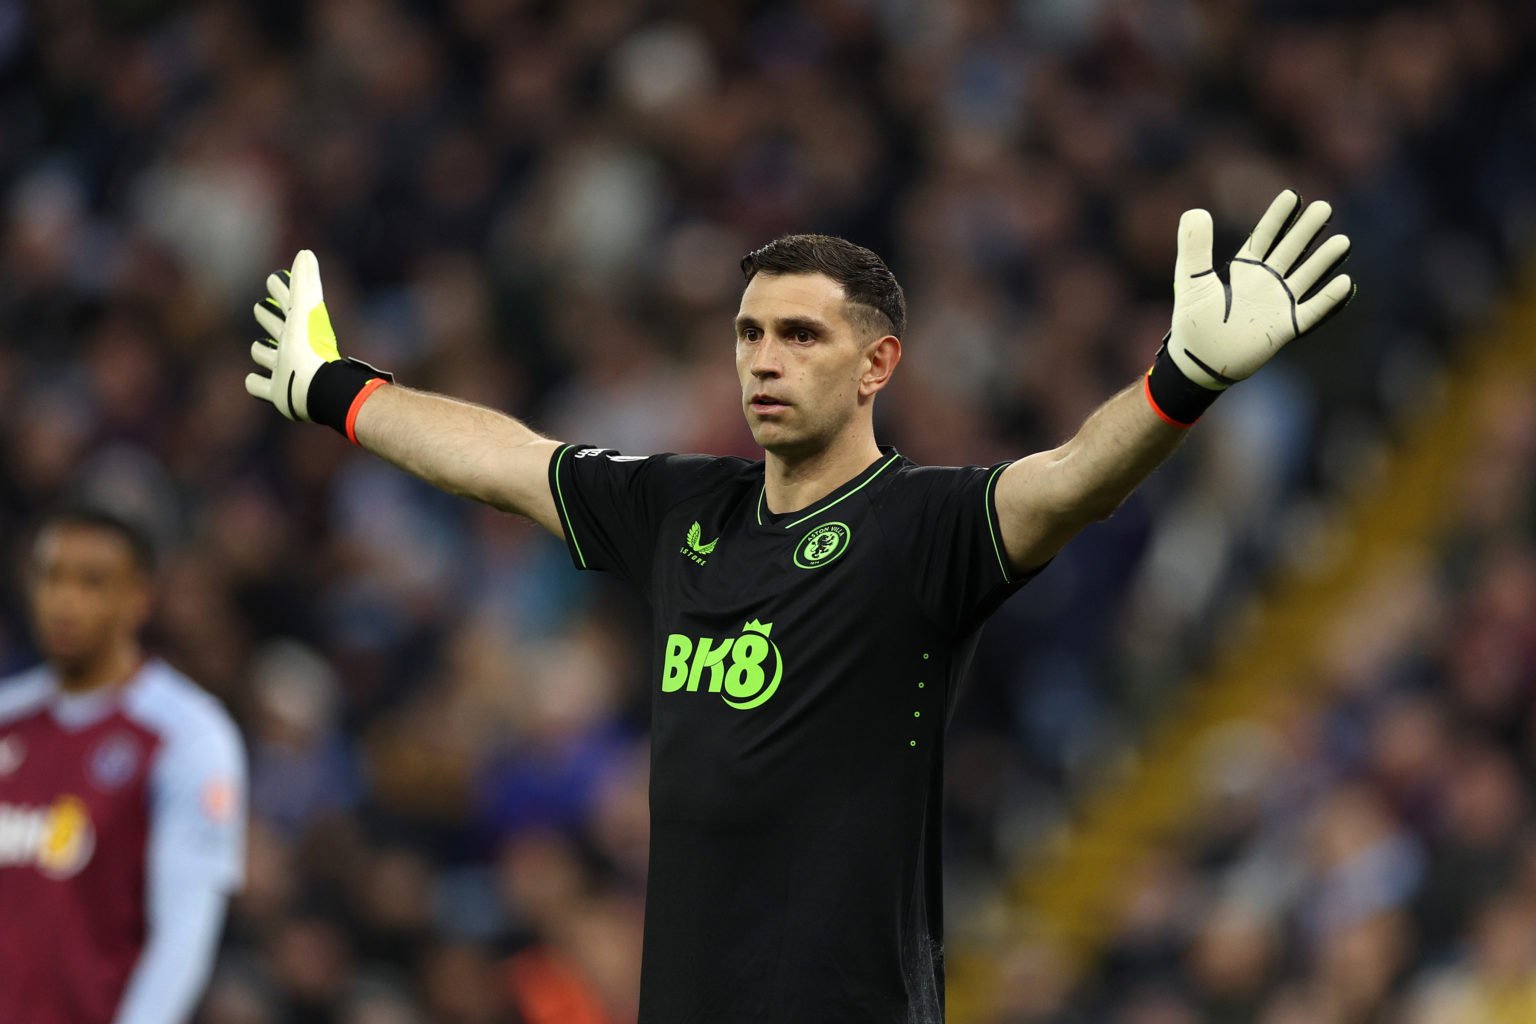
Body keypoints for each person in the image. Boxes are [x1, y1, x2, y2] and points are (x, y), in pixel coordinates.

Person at [246, 190, 1353, 1022]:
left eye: (801, 336)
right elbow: (505, 460)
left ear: (878, 364)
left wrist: (1182, 381)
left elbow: (1068, 482)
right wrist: (334, 387)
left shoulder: (922, 528)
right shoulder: (683, 505)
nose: (763, 361)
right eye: (749, 334)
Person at [0, 507, 247, 1024]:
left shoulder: (187, 735)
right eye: (52, 578)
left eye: (92, 582)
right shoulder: (8, 718)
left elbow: (183, 933)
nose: (65, 602)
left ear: (139, 598)